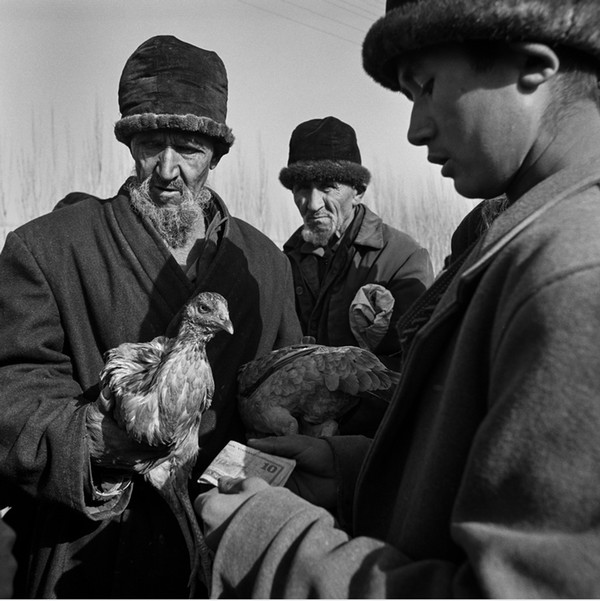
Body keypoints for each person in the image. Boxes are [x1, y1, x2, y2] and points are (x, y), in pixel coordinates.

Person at [195, 0, 600, 597]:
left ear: (530, 66)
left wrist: (272, 542)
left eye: (427, 86)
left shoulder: (571, 274)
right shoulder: (522, 242)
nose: (415, 128)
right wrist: (361, 475)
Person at [0, 35, 301, 598]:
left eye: (187, 147)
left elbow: (276, 405)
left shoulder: (266, 266)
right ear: (129, 144)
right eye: (149, 143)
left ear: (215, 151)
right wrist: (96, 439)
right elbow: (10, 394)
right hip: (87, 556)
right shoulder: (48, 249)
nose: (167, 169)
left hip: (220, 553)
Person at [280, 116, 433, 367]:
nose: (313, 203)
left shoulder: (403, 259)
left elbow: (415, 363)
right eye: (302, 188)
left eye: (327, 187)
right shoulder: (283, 262)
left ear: (358, 192)